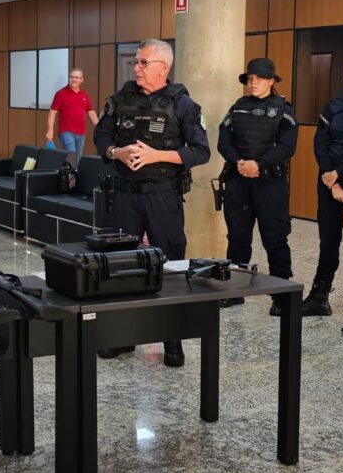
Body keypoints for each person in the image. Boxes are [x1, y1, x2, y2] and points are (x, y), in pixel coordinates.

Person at [93, 38, 210, 367]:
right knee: (121, 266)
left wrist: (157, 155)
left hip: (163, 196)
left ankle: (172, 340)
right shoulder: (119, 100)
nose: (137, 68)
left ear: (164, 67)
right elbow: (101, 137)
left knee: (170, 267)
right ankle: (123, 336)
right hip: (125, 195)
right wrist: (116, 152)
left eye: (144, 62)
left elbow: (200, 151)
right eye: (136, 62)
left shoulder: (184, 105)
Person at [217, 58, 298, 316]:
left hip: (269, 183)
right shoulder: (238, 107)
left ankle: (281, 295)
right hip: (239, 180)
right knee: (237, 237)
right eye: (250, 78)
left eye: (259, 78)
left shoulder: (283, 109)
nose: (253, 82)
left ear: (271, 81)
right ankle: (235, 290)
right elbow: (223, 141)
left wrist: (258, 164)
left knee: (275, 238)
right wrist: (240, 163)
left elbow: (287, 147)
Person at [301, 54, 343, 336]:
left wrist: (339, 173)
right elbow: (321, 143)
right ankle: (319, 297)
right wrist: (332, 179)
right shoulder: (333, 106)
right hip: (330, 180)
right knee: (328, 240)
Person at [46, 68, 99, 158]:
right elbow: (52, 113)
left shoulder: (84, 95)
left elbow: (91, 112)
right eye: (72, 77)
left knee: (77, 159)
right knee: (71, 156)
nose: (74, 79)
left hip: (81, 133)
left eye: (77, 77)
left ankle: (68, 167)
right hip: (66, 132)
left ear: (82, 80)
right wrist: (50, 130)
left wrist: (99, 127)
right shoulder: (61, 94)